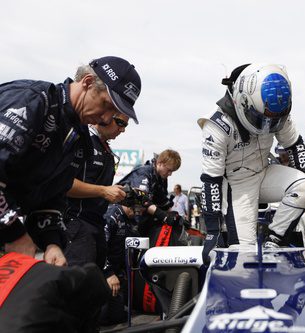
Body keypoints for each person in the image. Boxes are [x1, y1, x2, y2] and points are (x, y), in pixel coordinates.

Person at [0, 56, 141, 266]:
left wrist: (52, 243)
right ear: (87, 82)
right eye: (106, 105)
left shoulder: (78, 138)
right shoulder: (33, 101)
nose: (105, 119)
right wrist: (15, 234)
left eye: (114, 114)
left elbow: (51, 196)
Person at [198, 63, 305, 264]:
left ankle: (274, 241)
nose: (268, 125)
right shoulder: (217, 124)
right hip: (237, 185)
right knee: (244, 258)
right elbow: (211, 179)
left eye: (273, 120)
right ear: (242, 102)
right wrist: (212, 230)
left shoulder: (277, 110)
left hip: (265, 172)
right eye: (262, 118)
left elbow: (295, 145)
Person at [64, 112, 130, 268]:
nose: (123, 130)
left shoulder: (106, 149)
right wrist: (103, 191)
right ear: (105, 117)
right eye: (121, 123)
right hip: (74, 223)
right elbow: (63, 183)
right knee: (77, 285)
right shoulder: (80, 139)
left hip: (96, 225)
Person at [117, 149, 185, 235]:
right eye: (169, 170)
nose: (170, 174)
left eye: (172, 171)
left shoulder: (161, 178)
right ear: (160, 163)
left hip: (139, 220)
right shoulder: (144, 173)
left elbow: (163, 202)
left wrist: (177, 217)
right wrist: (164, 216)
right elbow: (141, 200)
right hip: (121, 216)